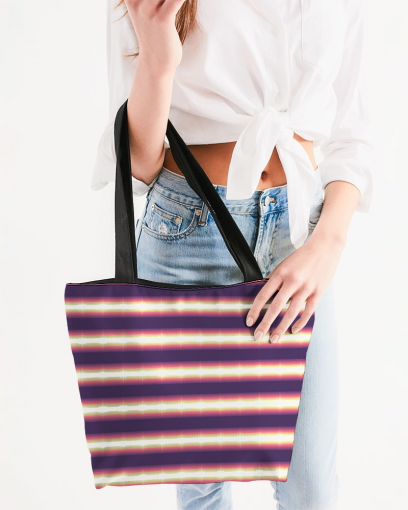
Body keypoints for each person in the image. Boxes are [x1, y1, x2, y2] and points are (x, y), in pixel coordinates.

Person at [91, 1, 375, 508]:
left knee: (311, 488)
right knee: (203, 486)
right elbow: (139, 161)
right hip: (188, 231)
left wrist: (328, 243)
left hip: (300, 236)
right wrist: (159, 58)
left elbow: (351, 135)